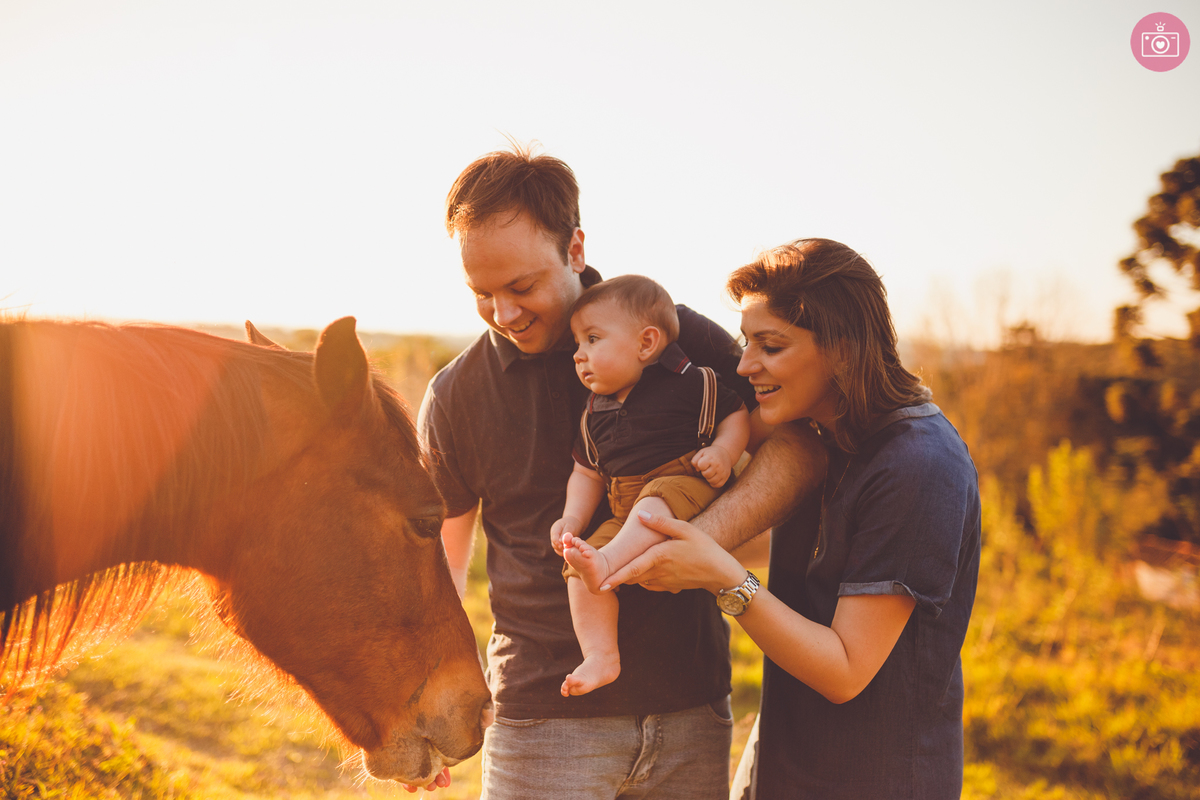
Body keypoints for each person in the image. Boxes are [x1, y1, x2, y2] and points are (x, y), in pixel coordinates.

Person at [415, 144, 826, 799]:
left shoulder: (675, 339)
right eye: (481, 294)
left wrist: (706, 536)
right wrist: (430, 715)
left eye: (521, 286)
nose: (504, 313)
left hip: (691, 712)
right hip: (543, 721)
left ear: (575, 248)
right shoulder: (457, 395)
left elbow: (798, 446)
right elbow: (440, 566)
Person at [604, 238, 982, 800]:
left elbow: (845, 670)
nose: (744, 364)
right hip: (784, 769)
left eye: (771, 346)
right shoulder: (821, 434)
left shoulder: (917, 465)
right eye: (746, 341)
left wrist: (724, 578)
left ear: (844, 349)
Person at [551, 275, 751, 697]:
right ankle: (601, 654)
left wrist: (723, 453)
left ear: (646, 344)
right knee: (577, 567)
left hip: (683, 484)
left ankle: (607, 565)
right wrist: (572, 518)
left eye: (591, 339)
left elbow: (736, 414)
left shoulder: (693, 383)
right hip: (627, 510)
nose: (578, 355)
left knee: (653, 503)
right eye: (576, 344)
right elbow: (586, 473)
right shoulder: (595, 413)